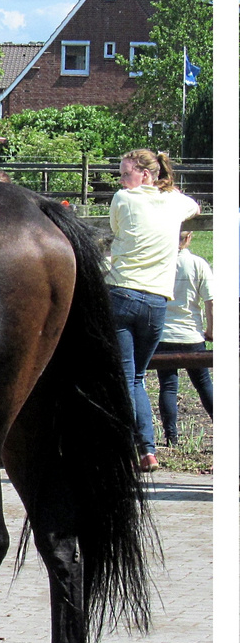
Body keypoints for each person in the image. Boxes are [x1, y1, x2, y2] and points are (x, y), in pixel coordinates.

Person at [104, 148, 199, 472]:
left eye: (125, 172)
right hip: (158, 301)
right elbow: (194, 206)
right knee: (138, 379)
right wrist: (166, 186)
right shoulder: (174, 201)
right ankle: (148, 450)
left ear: (144, 174)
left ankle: (125, 447)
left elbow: (116, 230)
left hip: (123, 293)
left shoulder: (123, 199)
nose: (121, 178)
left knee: (125, 378)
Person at [154, 229, 213, 447]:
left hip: (163, 334)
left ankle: (171, 437)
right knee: (203, 383)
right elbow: (210, 300)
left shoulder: (158, 263)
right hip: (191, 334)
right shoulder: (198, 264)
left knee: (168, 386)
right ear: (188, 238)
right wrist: (211, 330)